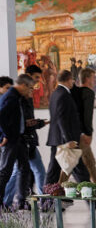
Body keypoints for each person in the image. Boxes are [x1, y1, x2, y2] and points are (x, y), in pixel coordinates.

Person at [5, 66, 48, 207]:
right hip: (22, 139)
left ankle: (14, 200)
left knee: (21, 171)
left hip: (26, 139)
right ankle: (42, 201)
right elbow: (22, 122)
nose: (35, 86)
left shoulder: (23, 97)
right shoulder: (16, 98)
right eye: (35, 78)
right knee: (33, 170)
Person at [0, 75, 35, 211]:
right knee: (5, 171)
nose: (30, 91)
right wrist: (6, 135)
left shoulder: (17, 97)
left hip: (18, 138)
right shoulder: (10, 97)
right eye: (30, 88)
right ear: (23, 85)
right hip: (11, 140)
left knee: (24, 168)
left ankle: (21, 200)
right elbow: (1, 116)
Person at [44, 70, 81, 186]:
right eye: (72, 79)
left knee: (54, 170)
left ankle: (50, 197)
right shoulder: (63, 94)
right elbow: (61, 119)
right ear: (68, 79)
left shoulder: (55, 93)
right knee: (58, 170)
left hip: (57, 138)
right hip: (62, 139)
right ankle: (48, 197)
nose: (73, 82)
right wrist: (68, 139)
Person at [67, 68, 96, 184]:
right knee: (71, 165)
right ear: (87, 78)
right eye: (93, 77)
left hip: (74, 133)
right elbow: (87, 116)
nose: (95, 80)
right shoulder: (88, 93)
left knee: (89, 162)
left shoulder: (76, 92)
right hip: (82, 135)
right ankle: (56, 190)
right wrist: (88, 133)